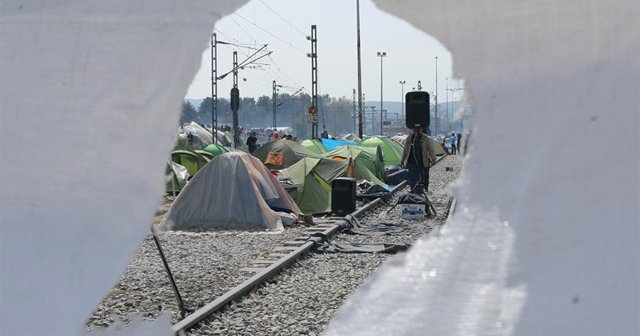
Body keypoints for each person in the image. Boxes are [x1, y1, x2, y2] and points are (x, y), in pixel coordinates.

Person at [401, 127, 436, 194]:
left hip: (421, 162)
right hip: (411, 161)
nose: (416, 131)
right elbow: (405, 150)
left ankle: (419, 191)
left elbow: (430, 149)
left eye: (417, 129)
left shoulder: (425, 138)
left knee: (420, 177)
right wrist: (402, 161)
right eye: (414, 129)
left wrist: (433, 159)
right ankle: (413, 190)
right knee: (412, 177)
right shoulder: (409, 138)